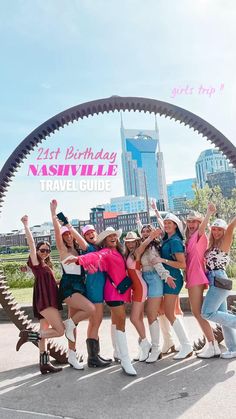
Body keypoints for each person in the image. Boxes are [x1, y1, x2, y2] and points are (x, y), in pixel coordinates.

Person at [64, 227, 137, 376]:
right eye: (109, 236)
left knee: (118, 323)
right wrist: (79, 260)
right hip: (113, 293)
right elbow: (95, 257)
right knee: (119, 322)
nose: (113, 237)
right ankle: (125, 360)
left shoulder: (119, 251)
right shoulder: (106, 252)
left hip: (118, 292)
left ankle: (119, 355)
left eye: (114, 235)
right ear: (104, 240)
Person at [16, 215, 64, 375]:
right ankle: (29, 335)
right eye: (42, 250)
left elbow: (52, 282)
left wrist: (65, 280)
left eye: (47, 250)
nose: (45, 252)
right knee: (60, 330)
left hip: (48, 299)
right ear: (37, 251)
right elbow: (30, 242)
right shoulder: (35, 263)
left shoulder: (45, 266)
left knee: (45, 331)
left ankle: (44, 364)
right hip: (46, 301)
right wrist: (26, 225)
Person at [50, 200, 95, 370]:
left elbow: (85, 244)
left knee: (73, 324)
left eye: (69, 234)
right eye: (65, 235)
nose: (68, 236)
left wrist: (69, 226)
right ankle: (68, 325)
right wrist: (53, 213)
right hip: (69, 286)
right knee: (89, 310)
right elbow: (56, 232)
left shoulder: (79, 250)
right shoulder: (63, 251)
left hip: (80, 286)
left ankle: (72, 355)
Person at [69, 223, 111, 368]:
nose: (90, 234)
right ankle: (93, 358)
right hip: (94, 289)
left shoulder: (100, 248)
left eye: (92, 232)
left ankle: (95, 355)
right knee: (96, 321)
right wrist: (68, 225)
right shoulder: (89, 248)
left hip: (99, 288)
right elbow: (79, 239)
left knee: (95, 322)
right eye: (87, 234)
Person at [154, 213, 193, 359]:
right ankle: (169, 342)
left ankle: (186, 345)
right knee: (163, 310)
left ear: (176, 225)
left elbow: (182, 264)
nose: (167, 225)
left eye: (170, 223)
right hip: (166, 279)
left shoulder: (175, 241)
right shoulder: (167, 239)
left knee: (170, 313)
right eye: (165, 223)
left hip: (173, 280)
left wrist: (162, 260)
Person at [185, 205, 221, 358]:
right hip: (193, 276)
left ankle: (212, 344)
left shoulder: (199, 235)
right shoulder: (190, 237)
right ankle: (212, 344)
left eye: (195, 221)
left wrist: (208, 213)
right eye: (189, 221)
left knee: (198, 313)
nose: (192, 224)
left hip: (197, 276)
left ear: (199, 224)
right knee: (198, 312)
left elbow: (204, 226)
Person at [138, 223, 176, 363]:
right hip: (145, 280)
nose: (146, 232)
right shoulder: (143, 245)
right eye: (144, 231)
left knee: (151, 315)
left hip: (154, 279)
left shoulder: (152, 247)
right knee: (155, 314)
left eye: (149, 230)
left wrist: (166, 276)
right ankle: (166, 342)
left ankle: (155, 348)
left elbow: (156, 263)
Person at [124, 229, 162, 362]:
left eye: (132, 241)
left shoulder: (137, 252)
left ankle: (146, 343)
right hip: (135, 287)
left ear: (136, 241)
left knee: (134, 318)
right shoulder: (128, 254)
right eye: (127, 242)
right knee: (138, 318)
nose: (130, 244)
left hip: (140, 287)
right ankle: (143, 347)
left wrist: (151, 235)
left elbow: (145, 244)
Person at [201, 216, 236, 358]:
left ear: (224, 231)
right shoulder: (212, 245)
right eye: (214, 229)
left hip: (219, 278)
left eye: (219, 229)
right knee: (223, 317)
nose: (216, 232)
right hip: (214, 279)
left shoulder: (225, 242)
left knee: (206, 313)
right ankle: (233, 349)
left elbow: (231, 227)